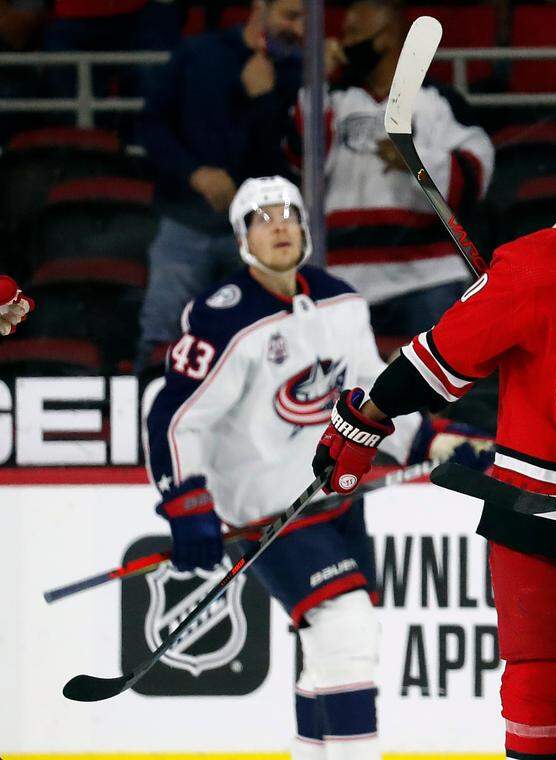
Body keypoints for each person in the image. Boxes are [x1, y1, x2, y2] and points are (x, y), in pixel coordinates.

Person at [310, 124, 556, 760]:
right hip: (534, 516)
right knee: (540, 686)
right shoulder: (531, 266)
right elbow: (436, 358)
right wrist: (367, 419)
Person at [145, 176, 429, 759]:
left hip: (335, 498)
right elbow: (172, 418)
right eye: (262, 217)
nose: (279, 225)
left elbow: (371, 394)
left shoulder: (342, 300)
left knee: (329, 644)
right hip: (268, 510)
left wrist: (435, 440)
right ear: (242, 236)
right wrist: (187, 507)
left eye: (289, 214)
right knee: (348, 632)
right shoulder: (222, 318)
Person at [302, 0, 494, 338]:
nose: (343, 43)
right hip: (346, 278)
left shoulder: (437, 100)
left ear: (386, 37)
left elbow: (477, 172)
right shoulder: (331, 98)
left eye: (353, 34)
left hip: (427, 276)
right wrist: (318, 80)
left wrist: (414, 159)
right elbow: (297, 158)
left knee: (436, 384)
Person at [135, 0, 305, 371]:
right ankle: (146, 413)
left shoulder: (300, 74)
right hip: (186, 221)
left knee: (266, 340)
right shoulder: (199, 52)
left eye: (307, 21)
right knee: (161, 338)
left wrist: (264, 101)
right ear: (259, 7)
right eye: (290, 16)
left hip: (259, 229)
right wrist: (194, 172)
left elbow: (293, 156)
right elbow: (150, 125)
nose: (300, 30)